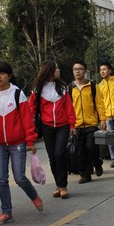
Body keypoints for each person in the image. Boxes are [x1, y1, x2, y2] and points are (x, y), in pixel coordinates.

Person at [0, 62, 43, 224]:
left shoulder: (18, 95)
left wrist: (30, 140)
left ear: (9, 75)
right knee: (1, 179)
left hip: (18, 143)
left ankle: (34, 196)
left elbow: (26, 120)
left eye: (2, 73)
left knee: (19, 177)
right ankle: (6, 212)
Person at [30, 61, 76, 199]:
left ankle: (63, 185)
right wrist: (30, 126)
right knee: (52, 157)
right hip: (47, 127)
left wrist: (72, 125)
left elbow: (69, 108)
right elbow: (31, 109)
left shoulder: (62, 88)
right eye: (56, 69)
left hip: (63, 126)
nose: (59, 71)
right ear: (49, 71)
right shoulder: (37, 90)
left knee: (60, 153)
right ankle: (58, 185)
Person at [69, 61, 106, 183]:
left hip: (91, 123)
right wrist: (71, 125)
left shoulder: (93, 86)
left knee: (91, 147)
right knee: (80, 152)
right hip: (77, 125)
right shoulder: (70, 88)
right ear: (73, 71)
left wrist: (103, 120)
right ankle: (85, 175)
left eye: (80, 69)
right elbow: (68, 108)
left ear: (85, 71)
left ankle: (97, 163)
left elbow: (100, 104)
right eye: (75, 69)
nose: (77, 71)